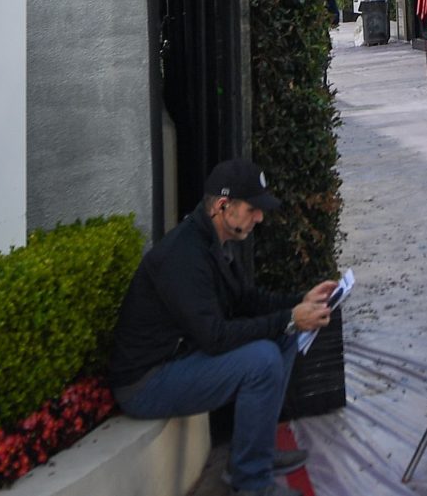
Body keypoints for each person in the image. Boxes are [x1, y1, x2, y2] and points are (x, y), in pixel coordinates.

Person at [111, 157, 338, 494]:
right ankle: (251, 482)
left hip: (180, 358)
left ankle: (254, 453)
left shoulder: (214, 241)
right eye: (253, 208)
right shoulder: (183, 256)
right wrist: (290, 318)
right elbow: (215, 337)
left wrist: (298, 303)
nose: (260, 217)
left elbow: (246, 300)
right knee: (262, 360)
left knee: (287, 337)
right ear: (222, 205)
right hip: (147, 382)